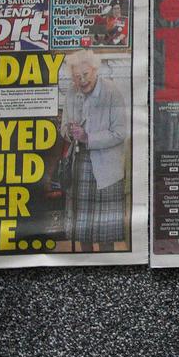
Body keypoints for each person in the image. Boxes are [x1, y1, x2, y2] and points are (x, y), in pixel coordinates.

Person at [60, 49, 131, 252]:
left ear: (95, 70)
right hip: (80, 166)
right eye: (76, 76)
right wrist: (70, 132)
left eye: (85, 74)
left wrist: (88, 137)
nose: (82, 80)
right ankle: (87, 262)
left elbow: (120, 133)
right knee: (83, 231)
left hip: (107, 170)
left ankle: (107, 264)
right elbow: (63, 127)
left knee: (105, 234)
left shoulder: (112, 92)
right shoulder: (71, 93)